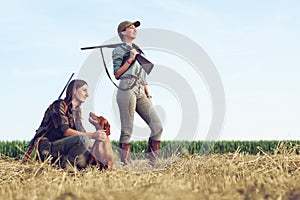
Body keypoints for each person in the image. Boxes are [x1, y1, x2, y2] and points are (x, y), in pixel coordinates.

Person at [112, 20, 163, 165]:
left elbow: (143, 76)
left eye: (135, 28)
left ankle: (151, 162)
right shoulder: (119, 51)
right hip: (127, 87)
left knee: (157, 126)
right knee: (127, 129)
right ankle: (126, 164)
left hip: (140, 89)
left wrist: (148, 95)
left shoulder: (139, 51)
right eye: (131, 28)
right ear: (123, 32)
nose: (135, 30)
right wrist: (130, 59)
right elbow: (117, 74)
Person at [35, 79, 107, 169]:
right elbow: (66, 132)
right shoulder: (58, 105)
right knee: (83, 140)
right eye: (84, 90)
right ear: (74, 90)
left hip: (63, 147)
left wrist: (100, 148)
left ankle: (71, 166)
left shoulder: (76, 112)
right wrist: (93, 135)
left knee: (92, 157)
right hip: (48, 147)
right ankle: (66, 168)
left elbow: (82, 133)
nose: (87, 95)